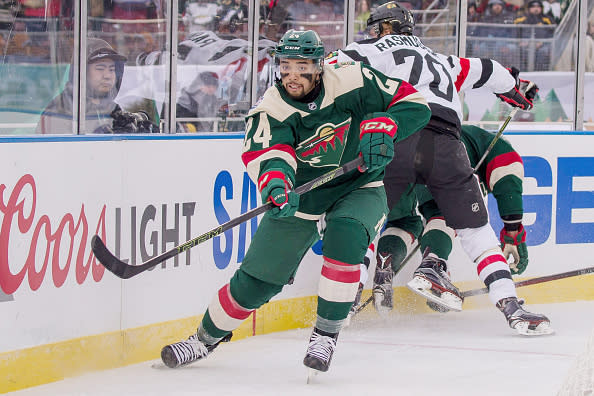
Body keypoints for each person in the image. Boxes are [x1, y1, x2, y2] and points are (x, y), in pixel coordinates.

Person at [159, 29, 431, 373]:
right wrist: (275, 183)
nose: (292, 75)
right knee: (256, 282)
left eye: (301, 67)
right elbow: (270, 154)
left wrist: (388, 124)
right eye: (285, 66)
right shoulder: (270, 108)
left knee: (345, 234)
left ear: (318, 67)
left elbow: (414, 104)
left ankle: (326, 334)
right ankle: (202, 340)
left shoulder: (351, 78)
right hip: (302, 195)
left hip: (358, 184)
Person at [327, 1, 551, 335]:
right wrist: (516, 90)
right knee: (477, 232)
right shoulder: (442, 59)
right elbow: (491, 70)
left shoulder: (365, 50)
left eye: (377, 28)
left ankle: (342, 305)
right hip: (446, 144)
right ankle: (513, 308)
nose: (374, 33)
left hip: (396, 136)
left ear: (385, 27)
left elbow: (323, 71)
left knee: (366, 224)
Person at [352, 124, 530, 315]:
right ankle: (432, 266)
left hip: (396, 152)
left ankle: (362, 281)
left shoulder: (467, 133)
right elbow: (508, 186)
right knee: (442, 214)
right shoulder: (503, 149)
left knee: (404, 221)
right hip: (441, 155)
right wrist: (513, 233)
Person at [36, 38, 159, 134]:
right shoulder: (62, 109)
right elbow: (56, 157)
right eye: (100, 68)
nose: (107, 75)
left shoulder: (112, 109)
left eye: (112, 69)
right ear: (82, 73)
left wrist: (138, 137)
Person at [514, 0, 554, 71]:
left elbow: (551, 33)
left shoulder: (547, 19)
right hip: (525, 44)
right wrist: (519, 41)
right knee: (520, 50)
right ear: (529, 8)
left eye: (538, 7)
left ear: (541, 8)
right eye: (533, 7)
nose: (536, 9)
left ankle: (540, 72)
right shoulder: (521, 19)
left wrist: (542, 42)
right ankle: (523, 71)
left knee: (543, 51)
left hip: (542, 45)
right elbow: (515, 31)